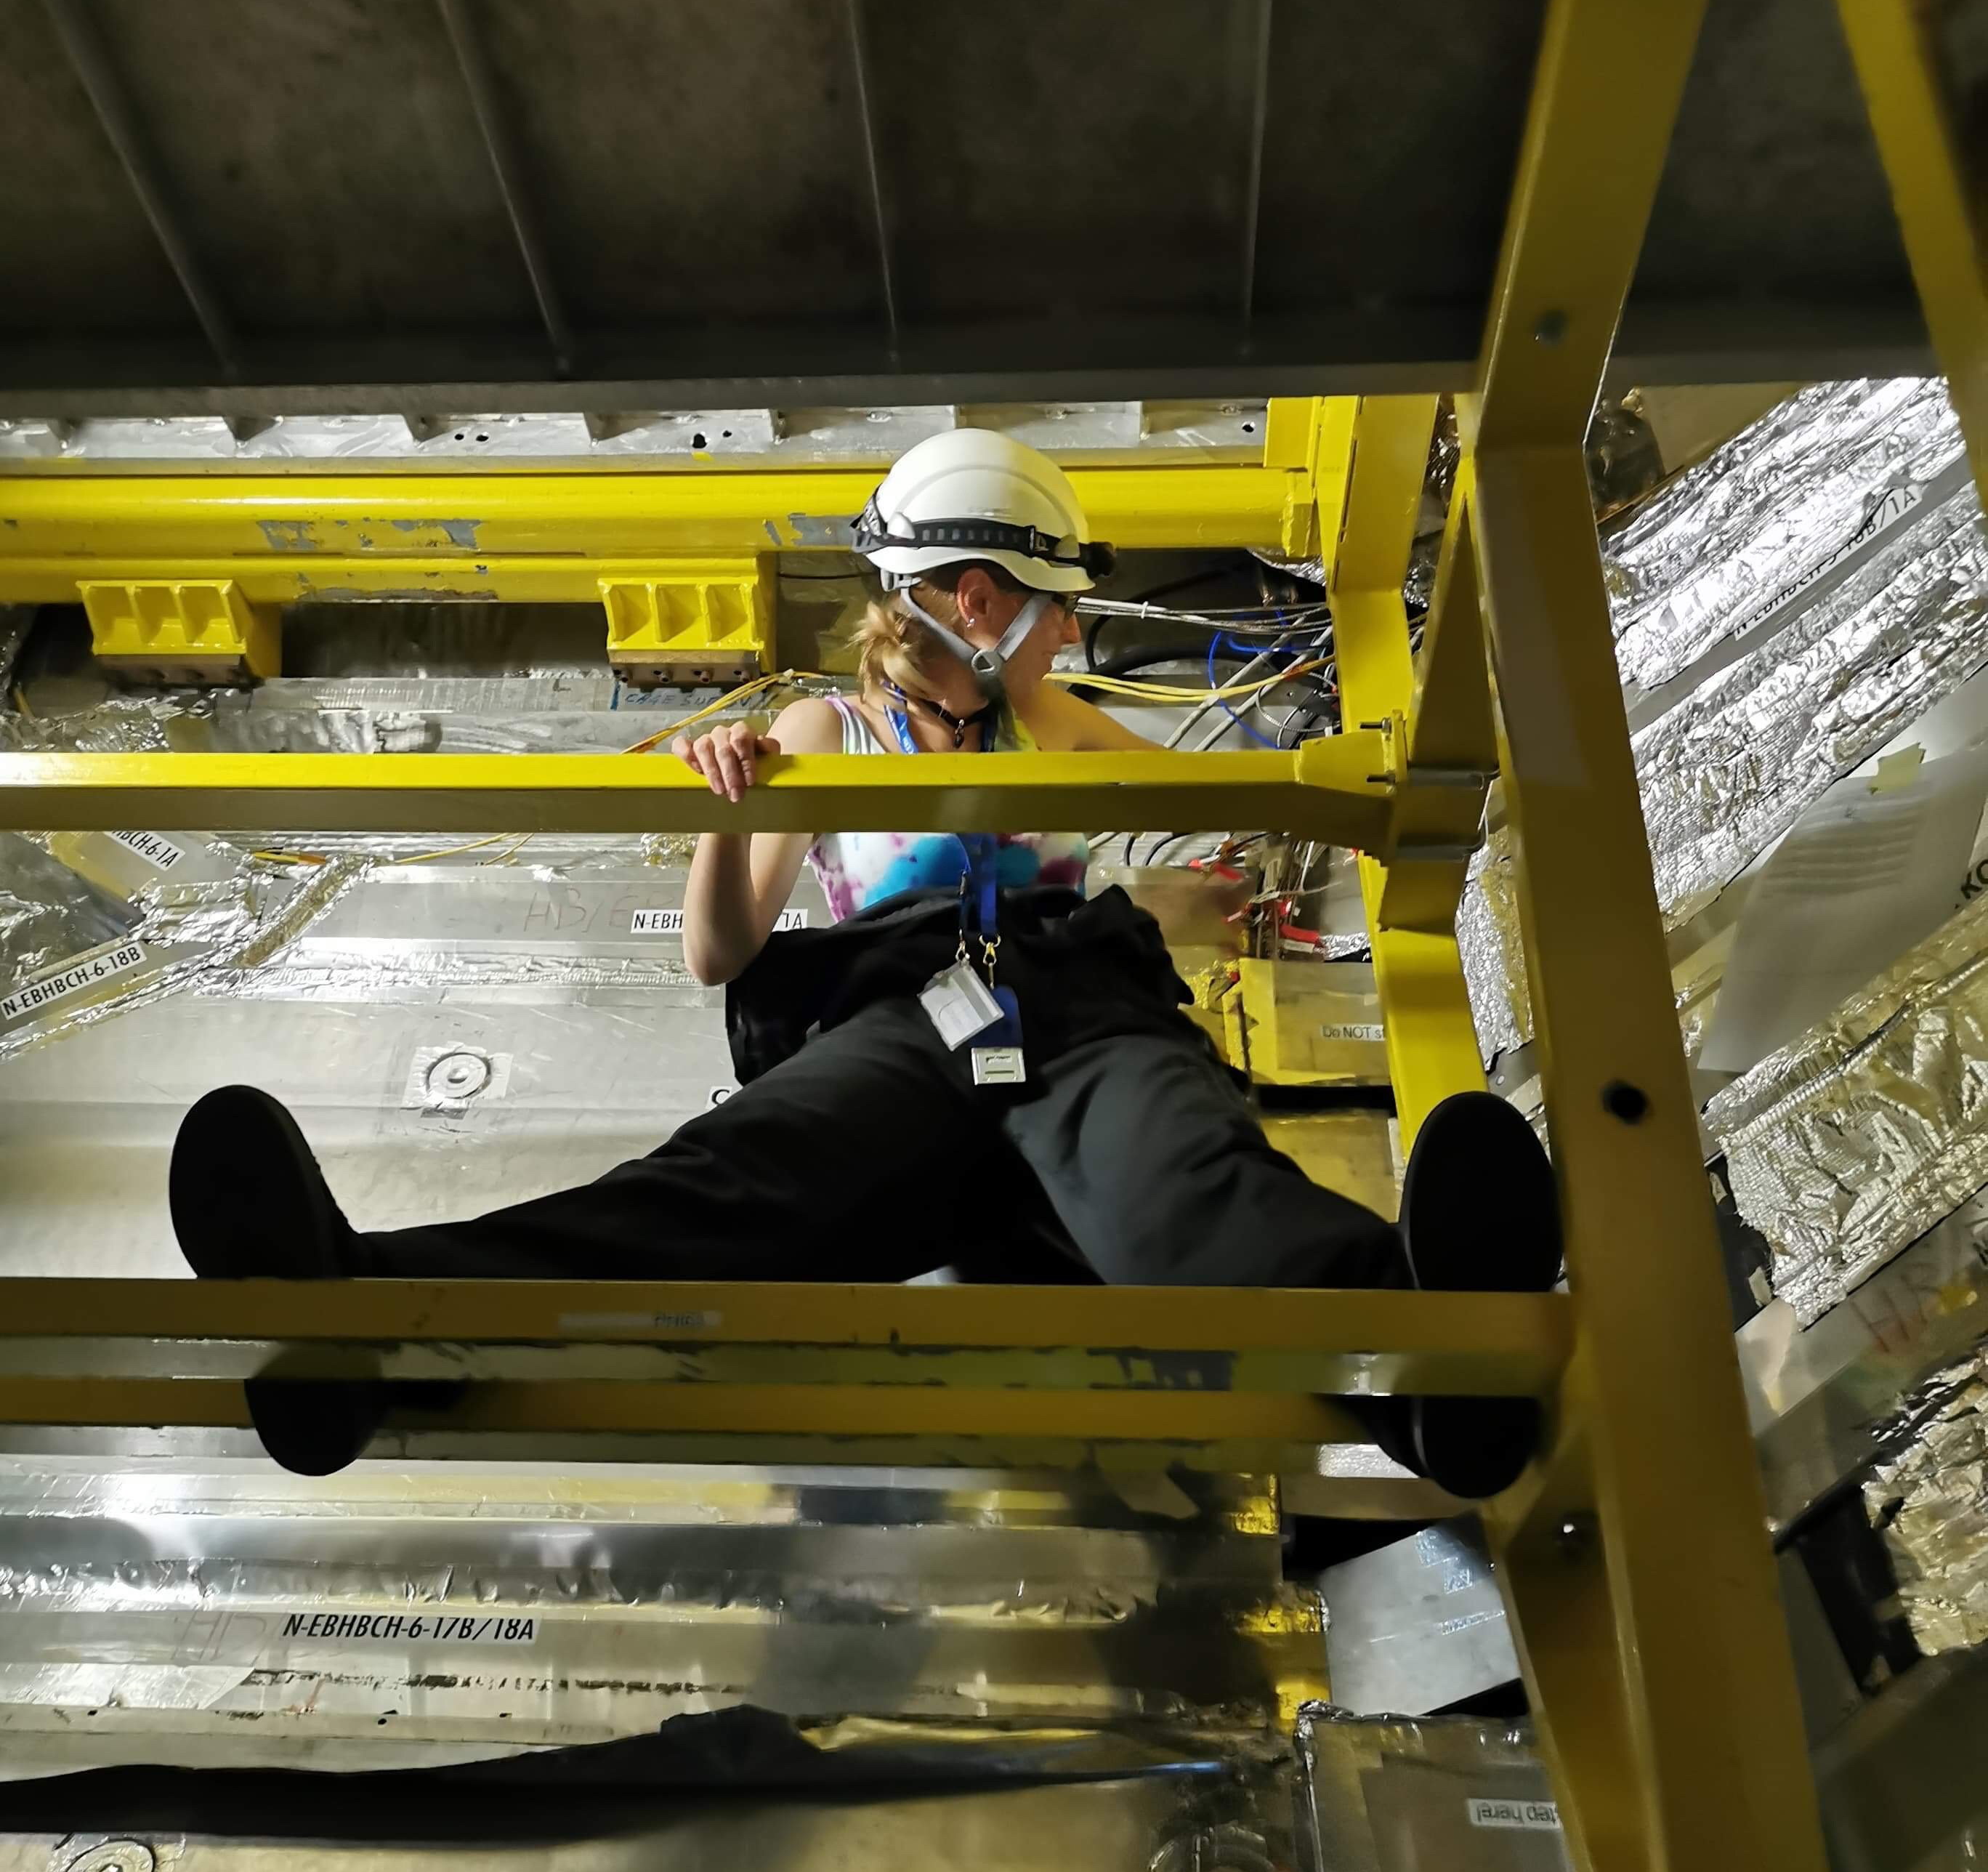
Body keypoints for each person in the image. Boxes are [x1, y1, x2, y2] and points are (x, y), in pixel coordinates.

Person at [168, 429, 1559, 1483]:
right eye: (1054, 601)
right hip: (904, 1036)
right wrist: (733, 808)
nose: (1072, 630)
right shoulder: (822, 738)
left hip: (1075, 1019)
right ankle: (368, 1321)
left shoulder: (1063, 728)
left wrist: (1346, 816)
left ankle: (1435, 1374)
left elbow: (1235, 836)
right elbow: (720, 957)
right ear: (972, 597)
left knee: (1187, 1192)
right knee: (720, 1191)